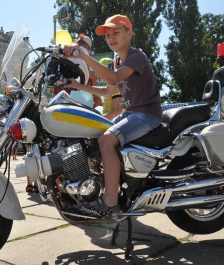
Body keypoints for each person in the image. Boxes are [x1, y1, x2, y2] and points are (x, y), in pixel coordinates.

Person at [63, 14, 162, 218]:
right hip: (132, 113)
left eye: (116, 32)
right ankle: (105, 187)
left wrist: (83, 55)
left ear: (129, 33)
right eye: (108, 35)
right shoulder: (116, 60)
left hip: (147, 114)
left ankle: (110, 204)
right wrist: (75, 85)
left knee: (106, 141)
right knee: (94, 134)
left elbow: (115, 78)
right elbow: (108, 91)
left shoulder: (137, 57)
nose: (111, 38)